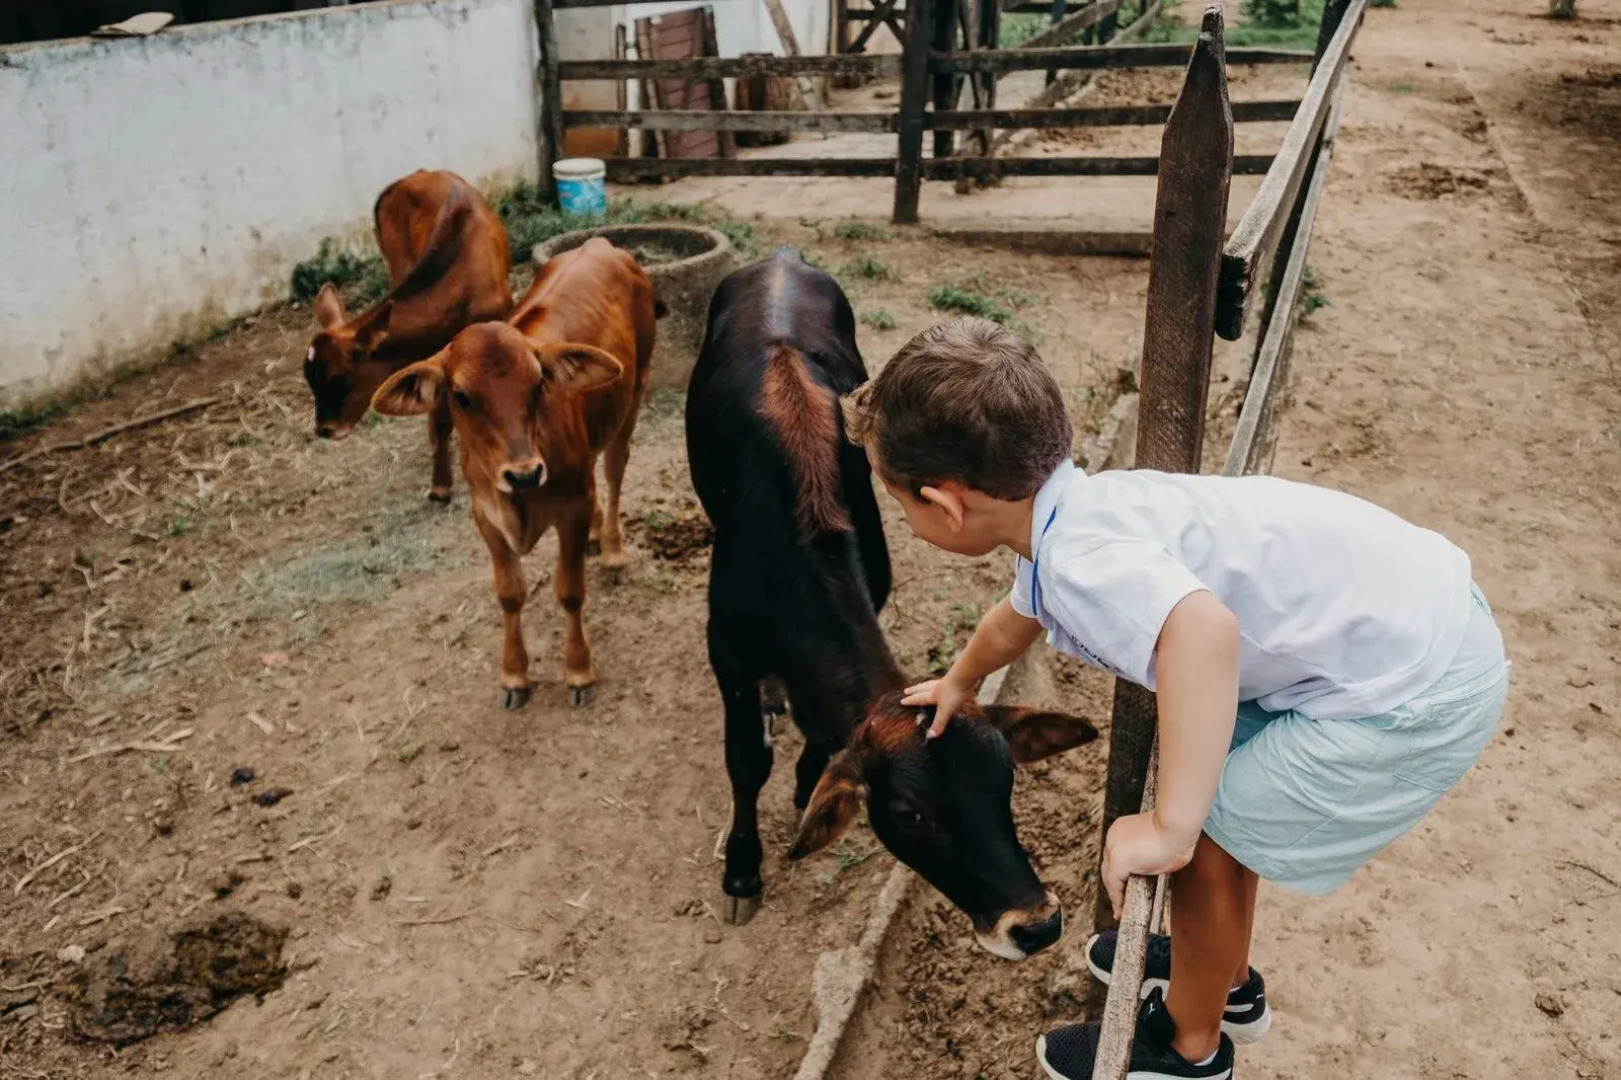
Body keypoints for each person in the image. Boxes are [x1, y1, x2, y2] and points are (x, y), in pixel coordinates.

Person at [840, 317, 1511, 1080]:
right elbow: (1017, 613)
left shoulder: (1082, 560)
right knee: (1221, 814)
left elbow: (1201, 632)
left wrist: (1169, 826)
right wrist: (960, 681)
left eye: (901, 506)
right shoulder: (1075, 511)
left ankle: (1188, 1049)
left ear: (945, 504)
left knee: (1210, 836)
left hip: (1410, 691)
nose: (908, 521)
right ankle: (1220, 977)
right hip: (1412, 624)